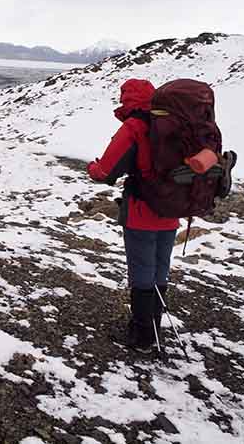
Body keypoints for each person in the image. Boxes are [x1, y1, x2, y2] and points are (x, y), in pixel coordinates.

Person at [86, 79, 179, 353]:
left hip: (141, 211)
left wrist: (92, 167)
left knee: (142, 271)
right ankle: (155, 326)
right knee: (161, 267)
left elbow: (106, 172)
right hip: (172, 209)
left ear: (128, 99)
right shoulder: (173, 123)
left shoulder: (134, 126)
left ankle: (142, 336)